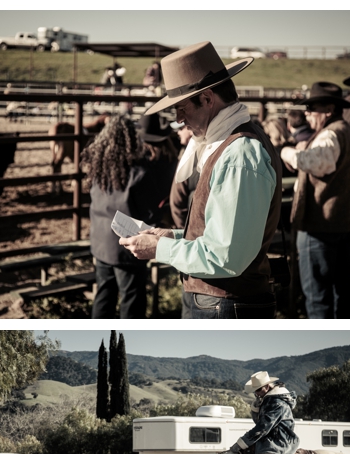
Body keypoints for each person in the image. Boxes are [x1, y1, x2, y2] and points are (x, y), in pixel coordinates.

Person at [118, 41, 282, 319]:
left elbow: (225, 257)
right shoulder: (232, 147)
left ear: (207, 99)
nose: (179, 120)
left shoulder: (237, 155)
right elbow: (224, 238)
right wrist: (174, 236)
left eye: (182, 108)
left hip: (224, 303)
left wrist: (161, 248)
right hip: (223, 301)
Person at [280, 82, 350, 319]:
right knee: (341, 292)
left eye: (312, 108)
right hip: (342, 223)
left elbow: (316, 163)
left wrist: (287, 152)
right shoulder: (347, 132)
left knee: (317, 297)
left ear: (327, 110)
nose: (307, 113)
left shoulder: (331, 134)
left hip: (320, 226)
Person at [85, 114, 176, 318]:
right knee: (132, 298)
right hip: (127, 245)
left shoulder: (99, 169)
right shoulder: (138, 171)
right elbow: (149, 210)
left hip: (100, 243)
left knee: (104, 295)